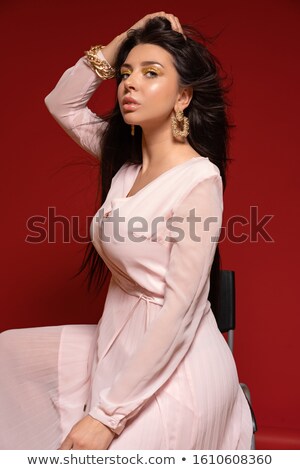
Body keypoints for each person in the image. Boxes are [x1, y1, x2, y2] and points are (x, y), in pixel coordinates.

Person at [0, 12, 253, 450]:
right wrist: (124, 40)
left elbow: (179, 312)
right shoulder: (124, 165)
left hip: (177, 363)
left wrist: (106, 417)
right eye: (125, 74)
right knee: (10, 355)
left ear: (182, 97)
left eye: (151, 73)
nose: (129, 83)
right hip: (118, 336)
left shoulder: (199, 181)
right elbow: (61, 103)